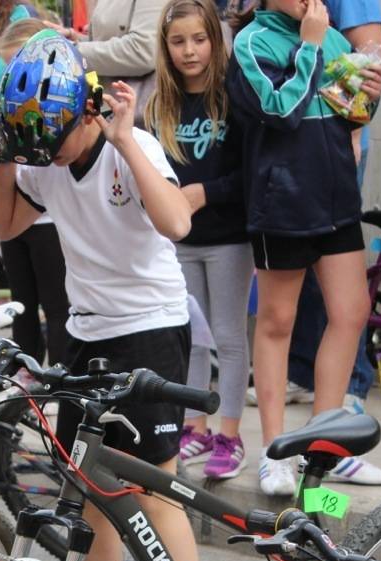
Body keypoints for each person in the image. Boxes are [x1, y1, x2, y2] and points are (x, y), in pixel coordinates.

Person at [0, 32, 203, 561]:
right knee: (90, 487)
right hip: (84, 334)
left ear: (89, 113)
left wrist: (130, 140)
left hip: (152, 330)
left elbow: (176, 226)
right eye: (32, 140)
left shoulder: (125, 151)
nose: (47, 153)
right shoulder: (41, 157)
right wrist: (4, 161)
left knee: (156, 494)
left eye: (55, 136)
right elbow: (7, 228)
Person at [231, 0, 381, 496]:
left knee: (351, 311)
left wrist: (368, 96)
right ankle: (276, 453)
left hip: (336, 195)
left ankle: (327, 447)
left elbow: (349, 114)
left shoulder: (333, 37)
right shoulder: (250, 41)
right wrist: (312, 45)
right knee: (278, 320)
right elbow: (280, 111)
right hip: (282, 202)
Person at [145, 0, 252, 479]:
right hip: (179, 242)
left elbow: (251, 173)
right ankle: (195, 427)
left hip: (228, 237)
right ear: (165, 47)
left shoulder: (234, 95)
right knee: (192, 340)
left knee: (228, 336)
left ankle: (230, 435)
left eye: (199, 39)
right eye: (178, 41)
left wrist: (204, 193)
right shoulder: (159, 105)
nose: (189, 51)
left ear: (215, 39)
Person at [0, 17, 70, 367]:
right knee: (22, 303)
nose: (11, 76)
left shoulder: (60, 100)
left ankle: (58, 373)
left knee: (56, 305)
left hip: (48, 219)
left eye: (16, 64)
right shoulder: (9, 105)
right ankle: (27, 370)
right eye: (6, 67)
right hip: (18, 214)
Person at [50, 0, 163, 124]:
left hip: (134, 117)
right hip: (106, 111)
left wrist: (72, 50)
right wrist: (76, 39)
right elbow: (109, 37)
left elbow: (143, 51)